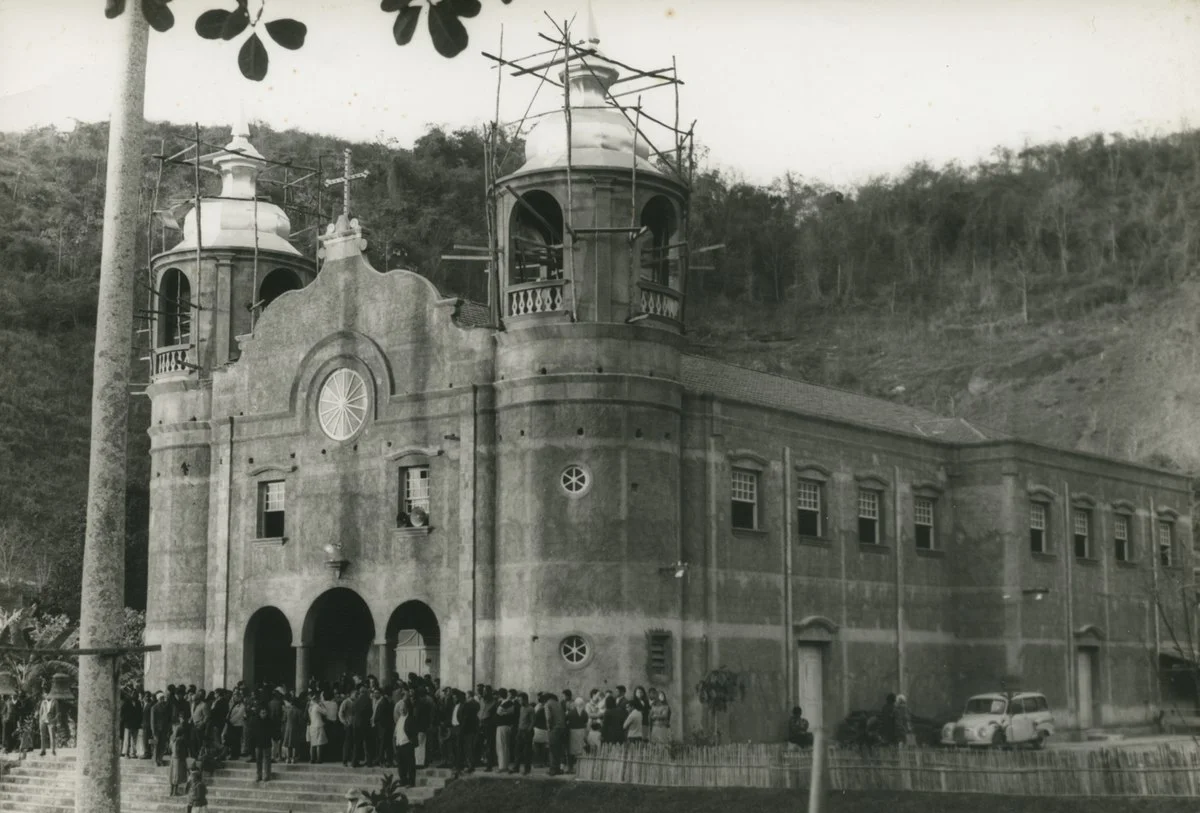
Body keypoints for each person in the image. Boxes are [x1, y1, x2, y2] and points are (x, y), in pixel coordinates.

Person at [394, 698, 419, 789]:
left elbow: (414, 731)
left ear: (407, 709)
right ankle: (403, 781)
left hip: (407, 744)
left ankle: (411, 782)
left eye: (404, 708)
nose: (402, 710)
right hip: (400, 744)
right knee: (401, 764)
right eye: (400, 709)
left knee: (410, 764)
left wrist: (412, 741)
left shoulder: (411, 718)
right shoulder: (400, 719)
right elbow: (397, 732)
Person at [248, 705, 275, 782]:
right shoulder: (255, 721)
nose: (263, 714)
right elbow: (252, 733)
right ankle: (259, 775)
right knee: (258, 760)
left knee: (267, 760)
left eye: (265, 713)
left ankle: (267, 775)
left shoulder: (269, 721)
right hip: (258, 744)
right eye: (262, 712)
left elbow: (272, 732)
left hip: (267, 743)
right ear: (259, 713)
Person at [545, 693, 567, 776]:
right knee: (559, 749)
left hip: (554, 729)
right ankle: (558, 769)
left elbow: (548, 718)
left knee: (552, 749)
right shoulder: (559, 704)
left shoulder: (547, 704)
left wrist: (549, 729)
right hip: (562, 728)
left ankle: (553, 769)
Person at [282, 694, 306, 764]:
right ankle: (293, 758)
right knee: (295, 744)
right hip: (295, 729)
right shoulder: (299, 711)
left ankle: (288, 758)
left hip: (287, 728)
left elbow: (284, 719)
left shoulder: (287, 710)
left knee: (289, 744)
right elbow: (301, 722)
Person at [169, 721, 190, 797]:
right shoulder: (180, 740)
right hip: (178, 758)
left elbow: (170, 748)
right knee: (176, 775)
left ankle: (171, 791)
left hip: (172, 757)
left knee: (172, 775)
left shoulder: (172, 738)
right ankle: (175, 792)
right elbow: (179, 750)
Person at [307, 692, 329, 764]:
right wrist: (322, 705)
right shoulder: (316, 706)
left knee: (313, 743)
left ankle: (312, 759)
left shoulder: (310, 707)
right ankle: (319, 759)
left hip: (312, 726)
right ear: (317, 699)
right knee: (319, 743)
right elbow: (325, 712)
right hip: (318, 725)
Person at [152, 692, 171, 766]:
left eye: (163, 698)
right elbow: (152, 721)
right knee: (156, 745)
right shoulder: (154, 707)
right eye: (161, 699)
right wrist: (154, 731)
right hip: (157, 730)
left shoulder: (165, 707)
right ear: (158, 699)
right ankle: (155, 760)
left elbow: (167, 719)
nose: (162, 700)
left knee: (162, 745)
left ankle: (160, 759)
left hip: (164, 729)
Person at [37, 690, 59, 756]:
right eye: (45, 695)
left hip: (51, 721)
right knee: (42, 736)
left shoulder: (55, 702)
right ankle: (43, 750)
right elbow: (40, 713)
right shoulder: (43, 702)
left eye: (47, 694)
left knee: (52, 736)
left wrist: (54, 720)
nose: (46, 696)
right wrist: (40, 721)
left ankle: (53, 750)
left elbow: (57, 713)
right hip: (43, 721)